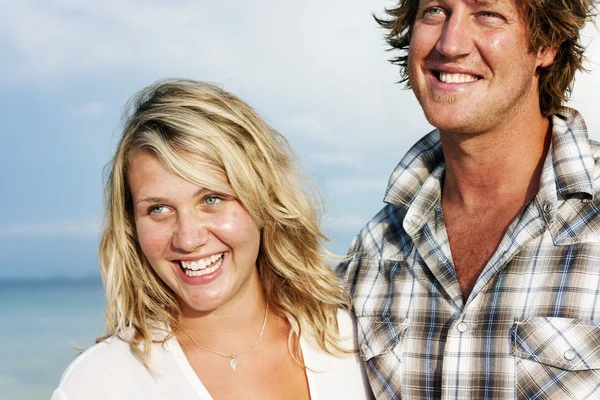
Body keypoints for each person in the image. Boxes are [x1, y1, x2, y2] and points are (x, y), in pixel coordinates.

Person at [337, 0, 600, 398]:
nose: (451, 42)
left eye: (488, 14)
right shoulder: (374, 248)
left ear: (547, 46)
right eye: (435, 11)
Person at [52, 79, 373, 399]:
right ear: (131, 225)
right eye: (159, 209)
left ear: (264, 200)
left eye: (212, 199)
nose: (188, 239)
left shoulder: (359, 346)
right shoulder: (100, 383)